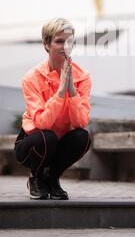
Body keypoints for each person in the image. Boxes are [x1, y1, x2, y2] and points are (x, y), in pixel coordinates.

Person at [14, 17, 92, 200]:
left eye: (69, 41)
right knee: (46, 137)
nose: (65, 46)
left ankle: (52, 178)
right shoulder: (31, 78)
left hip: (60, 142)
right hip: (33, 143)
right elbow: (42, 122)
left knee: (83, 137)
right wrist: (60, 91)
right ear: (46, 45)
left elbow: (80, 121)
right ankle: (36, 177)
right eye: (59, 41)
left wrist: (72, 90)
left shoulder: (83, 78)